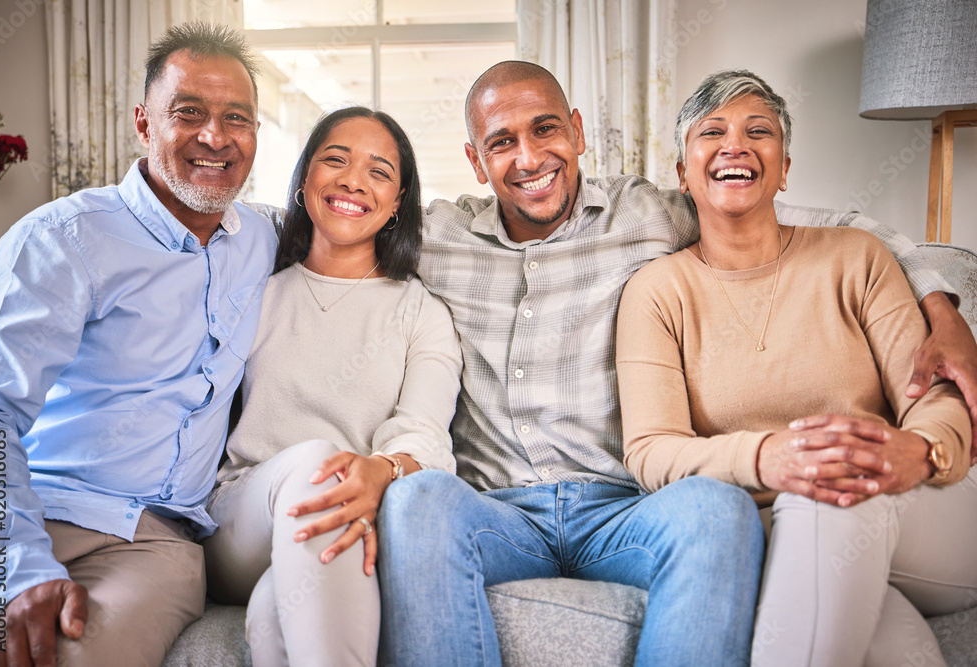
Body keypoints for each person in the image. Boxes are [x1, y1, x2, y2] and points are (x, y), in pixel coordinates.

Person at [375, 60, 977, 667]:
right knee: (416, 501)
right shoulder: (435, 238)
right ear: (477, 161)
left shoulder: (651, 215)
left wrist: (941, 304)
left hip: (624, 508)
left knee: (717, 508)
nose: (529, 158)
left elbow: (821, 222)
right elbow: (334, 223)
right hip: (496, 510)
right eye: (501, 142)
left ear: (578, 132)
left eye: (546, 129)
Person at [616, 69, 977, 666]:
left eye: (759, 131)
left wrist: (924, 450)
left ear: (784, 168)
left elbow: (931, 396)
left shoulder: (856, 257)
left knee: (826, 490)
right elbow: (652, 450)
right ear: (683, 173)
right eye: (713, 133)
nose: (736, 144)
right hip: (784, 537)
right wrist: (771, 458)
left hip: (918, 505)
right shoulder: (657, 292)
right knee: (887, 637)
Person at [0, 23, 277, 666]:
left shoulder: (264, 240)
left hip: (155, 543)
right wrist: (18, 562)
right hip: (38, 504)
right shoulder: (63, 240)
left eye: (237, 119)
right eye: (189, 113)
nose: (215, 137)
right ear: (144, 123)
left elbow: (365, 205)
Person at [202, 106, 461, 666]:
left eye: (379, 172)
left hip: (344, 527)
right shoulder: (253, 295)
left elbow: (425, 439)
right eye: (335, 160)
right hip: (241, 524)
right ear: (303, 181)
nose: (352, 181)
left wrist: (382, 470)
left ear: (398, 204)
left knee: (275, 612)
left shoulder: (423, 314)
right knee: (326, 463)